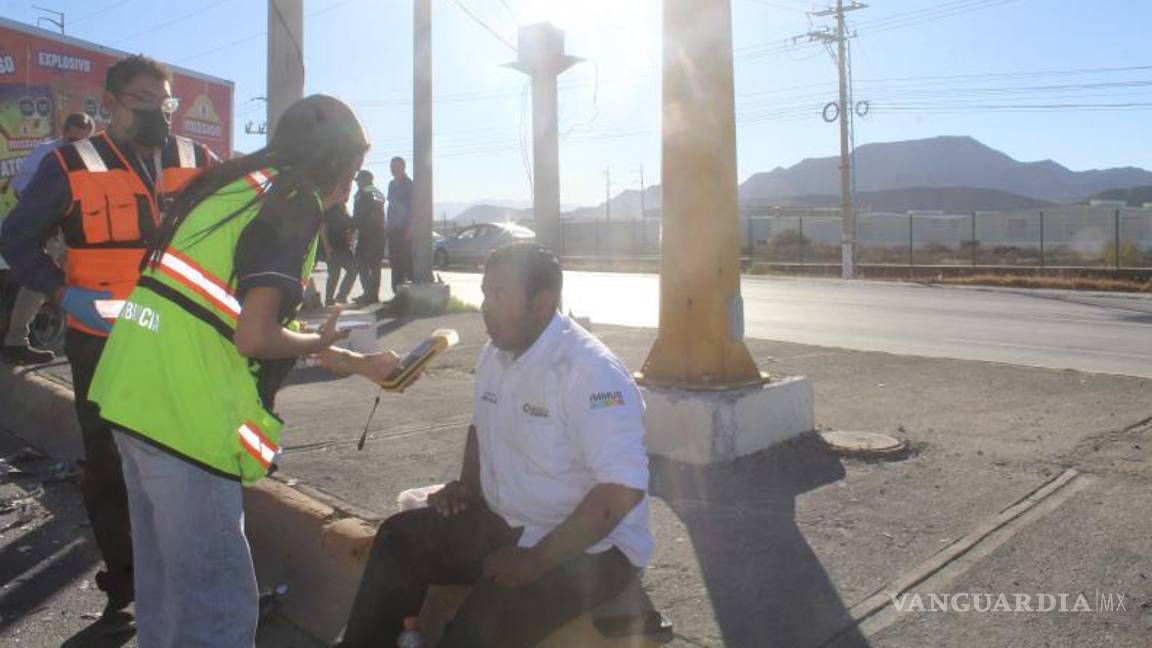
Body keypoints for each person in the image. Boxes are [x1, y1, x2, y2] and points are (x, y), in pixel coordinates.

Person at [86, 94, 402, 648]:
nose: (349, 187)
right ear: (327, 161)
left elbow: (235, 320)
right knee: (219, 616)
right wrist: (320, 338)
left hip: (133, 399)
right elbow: (256, 336)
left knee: (165, 596)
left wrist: (354, 362)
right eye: (349, 172)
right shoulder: (293, 202)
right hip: (187, 419)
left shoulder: (237, 186)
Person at [338, 242, 653, 647]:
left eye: (499, 294)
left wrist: (538, 559)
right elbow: (481, 429)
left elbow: (619, 491)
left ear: (542, 303)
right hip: (506, 522)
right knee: (399, 540)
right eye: (485, 292)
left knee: (477, 631)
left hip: (587, 550)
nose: (486, 306)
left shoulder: (591, 373)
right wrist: (468, 487)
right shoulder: (496, 353)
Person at [0, 55, 216, 631]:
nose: (158, 112)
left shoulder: (196, 160)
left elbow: (236, 228)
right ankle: (124, 586)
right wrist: (57, 291)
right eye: (143, 99)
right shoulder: (72, 164)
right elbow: (16, 238)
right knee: (108, 462)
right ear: (111, 101)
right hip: (103, 341)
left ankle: (179, 574)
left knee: (183, 457)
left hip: (178, 340)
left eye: (165, 101)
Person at [1, 112, 95, 365]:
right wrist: (46, 214)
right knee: (38, 283)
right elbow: (22, 186)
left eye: (82, 140)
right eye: (72, 138)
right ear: (63, 132)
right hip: (52, 229)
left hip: (79, 230)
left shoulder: (90, 156)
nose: (75, 144)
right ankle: (16, 342)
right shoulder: (47, 152)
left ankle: (84, 340)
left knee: (85, 281)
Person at [351, 169, 386, 305]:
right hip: (379, 233)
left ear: (365, 180)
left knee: (361, 263)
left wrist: (350, 227)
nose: (357, 183)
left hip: (367, 234)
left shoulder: (363, 193)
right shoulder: (378, 193)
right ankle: (373, 295)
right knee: (375, 266)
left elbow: (359, 215)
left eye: (358, 180)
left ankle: (368, 293)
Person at [386, 156, 414, 293]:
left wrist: (411, 227)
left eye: (395, 166)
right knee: (395, 262)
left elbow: (414, 208)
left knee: (406, 261)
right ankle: (396, 293)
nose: (393, 169)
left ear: (402, 167)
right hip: (392, 229)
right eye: (391, 167)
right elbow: (391, 205)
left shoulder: (409, 185)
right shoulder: (391, 184)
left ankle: (409, 292)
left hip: (405, 229)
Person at [321, 200, 358, 305]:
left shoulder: (345, 210)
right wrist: (327, 247)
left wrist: (350, 235)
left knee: (353, 270)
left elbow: (351, 226)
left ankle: (341, 295)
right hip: (333, 247)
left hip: (344, 248)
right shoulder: (330, 210)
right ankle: (329, 299)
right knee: (334, 274)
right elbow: (323, 230)